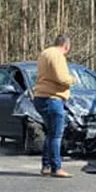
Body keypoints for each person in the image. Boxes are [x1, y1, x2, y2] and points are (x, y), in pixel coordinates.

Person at [33, 33, 75, 178]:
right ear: (66, 46)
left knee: (50, 134)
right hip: (53, 98)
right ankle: (56, 167)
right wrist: (73, 80)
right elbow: (62, 78)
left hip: (40, 97)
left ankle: (46, 165)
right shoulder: (57, 55)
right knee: (56, 135)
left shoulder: (44, 54)